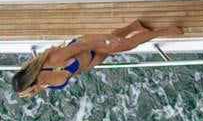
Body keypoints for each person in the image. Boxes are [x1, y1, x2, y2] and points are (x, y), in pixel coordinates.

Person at [11, 21, 183, 97]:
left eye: (30, 92)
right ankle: (133, 26)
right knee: (118, 40)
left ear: (31, 81)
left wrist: (103, 40)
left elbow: (80, 45)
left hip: (89, 46)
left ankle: (162, 32)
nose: (33, 94)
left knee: (126, 45)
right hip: (89, 61)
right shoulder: (44, 84)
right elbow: (71, 73)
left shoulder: (53, 61)